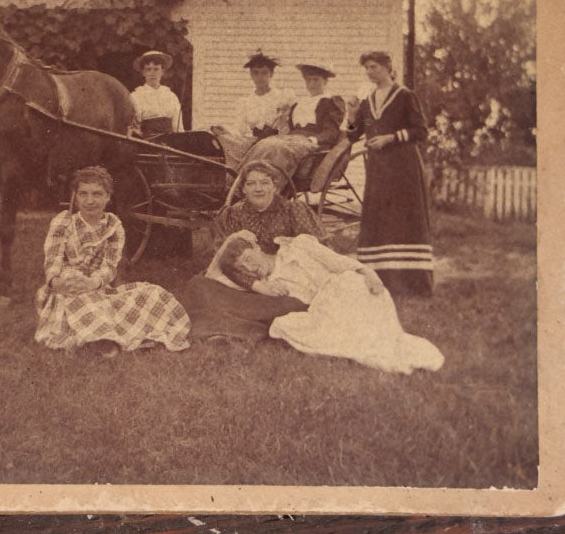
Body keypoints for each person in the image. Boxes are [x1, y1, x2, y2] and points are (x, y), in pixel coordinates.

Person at [211, 231, 444, 374]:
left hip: (347, 286)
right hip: (324, 306)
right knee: (283, 324)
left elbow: (336, 261)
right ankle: (363, 343)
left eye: (250, 258)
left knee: (371, 335)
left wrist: (367, 271)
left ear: (257, 247)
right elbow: (213, 275)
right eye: (244, 267)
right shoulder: (271, 285)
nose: (251, 267)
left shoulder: (298, 246)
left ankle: (374, 345)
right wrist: (229, 243)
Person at [34, 166, 191, 352]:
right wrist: (58, 282)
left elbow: (109, 266)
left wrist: (93, 282)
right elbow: (52, 260)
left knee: (153, 294)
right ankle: (103, 339)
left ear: (108, 197)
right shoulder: (63, 221)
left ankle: (106, 335)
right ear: (75, 196)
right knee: (79, 300)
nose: (90, 201)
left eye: (97, 194)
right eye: (83, 194)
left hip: (97, 286)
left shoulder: (113, 226)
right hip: (65, 287)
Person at [177, 160, 322, 341]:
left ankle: (238, 328)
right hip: (239, 283)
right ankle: (236, 328)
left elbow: (317, 249)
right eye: (251, 183)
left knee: (293, 304)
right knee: (196, 286)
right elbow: (223, 260)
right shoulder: (233, 214)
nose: (258, 189)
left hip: (280, 284)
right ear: (243, 189)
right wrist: (233, 240)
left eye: (264, 182)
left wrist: (281, 255)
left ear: (275, 187)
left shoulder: (293, 210)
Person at [345, 50, 434, 295]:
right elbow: (353, 135)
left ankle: (412, 284)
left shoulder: (405, 96)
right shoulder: (367, 101)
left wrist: (390, 138)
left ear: (387, 67)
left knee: (403, 220)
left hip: (403, 168)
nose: (370, 72)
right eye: (367, 68)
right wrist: (352, 114)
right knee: (380, 220)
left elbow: (421, 131)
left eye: (374, 67)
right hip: (378, 170)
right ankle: (381, 282)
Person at [239, 62, 345, 183]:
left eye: (316, 80)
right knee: (264, 144)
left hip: (313, 143)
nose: (312, 84)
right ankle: (242, 181)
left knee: (278, 148)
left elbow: (331, 131)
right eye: (308, 80)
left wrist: (313, 139)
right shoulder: (300, 102)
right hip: (293, 139)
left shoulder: (330, 101)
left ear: (325, 82)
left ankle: (273, 186)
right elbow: (288, 127)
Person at [210, 51, 296, 168]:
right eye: (256, 73)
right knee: (222, 138)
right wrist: (225, 129)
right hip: (254, 141)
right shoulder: (245, 101)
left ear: (271, 74)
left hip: (275, 142)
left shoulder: (282, 97)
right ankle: (236, 173)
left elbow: (286, 127)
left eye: (264, 73)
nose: (260, 77)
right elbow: (239, 129)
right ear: (251, 75)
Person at [129, 50, 183, 137]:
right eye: (148, 69)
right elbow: (135, 128)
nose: (152, 73)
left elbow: (178, 128)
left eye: (156, 69)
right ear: (143, 72)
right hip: (146, 143)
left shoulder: (171, 96)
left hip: (171, 144)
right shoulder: (135, 96)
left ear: (162, 72)